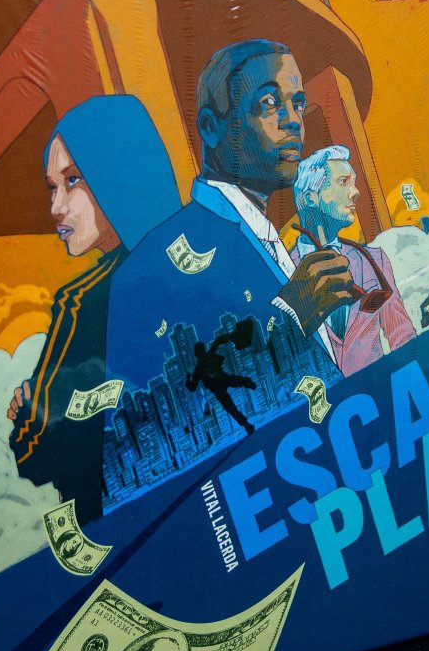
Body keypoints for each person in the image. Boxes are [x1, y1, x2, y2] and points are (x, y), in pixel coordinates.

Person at [105, 40, 354, 394]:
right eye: (269, 103)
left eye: (297, 103)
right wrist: (291, 315)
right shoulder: (148, 270)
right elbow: (163, 407)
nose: (294, 121)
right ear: (210, 126)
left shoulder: (263, 233)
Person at [7, 95, 180, 523]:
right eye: (53, 187)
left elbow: (32, 455)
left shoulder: (81, 303)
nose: (56, 207)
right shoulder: (192, 258)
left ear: (116, 172)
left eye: (72, 180)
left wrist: (29, 410)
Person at [291, 146, 416, 376]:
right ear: (311, 198)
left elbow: (404, 337)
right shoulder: (283, 273)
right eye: (343, 182)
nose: (355, 192)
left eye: (353, 182)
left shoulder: (374, 260)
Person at [186, 327, 258, 435]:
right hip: (220, 384)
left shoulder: (200, 367)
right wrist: (230, 337)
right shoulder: (200, 367)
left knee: (231, 404)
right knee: (231, 403)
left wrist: (231, 337)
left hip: (220, 384)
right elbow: (218, 341)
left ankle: (246, 424)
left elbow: (192, 387)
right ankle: (246, 424)